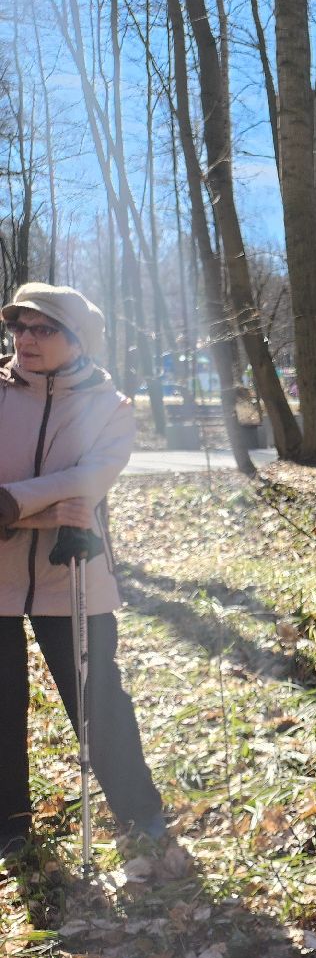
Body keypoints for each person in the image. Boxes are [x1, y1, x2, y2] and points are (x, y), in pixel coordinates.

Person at [0, 283, 168, 859]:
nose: (25, 338)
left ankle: (141, 814)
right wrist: (48, 509)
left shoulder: (110, 407)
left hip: (73, 568)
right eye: (19, 326)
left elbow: (91, 479)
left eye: (43, 329)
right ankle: (8, 828)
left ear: (78, 340)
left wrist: (12, 505)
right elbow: (68, 494)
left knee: (98, 699)